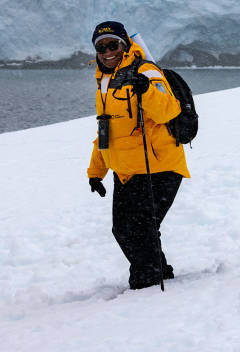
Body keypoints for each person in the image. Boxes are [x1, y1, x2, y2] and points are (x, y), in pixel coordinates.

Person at [86, 21, 190, 289]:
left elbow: (168, 112)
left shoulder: (146, 72)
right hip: (126, 170)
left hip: (159, 166)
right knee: (124, 230)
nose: (108, 51)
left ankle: (147, 283)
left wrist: (145, 90)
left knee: (141, 230)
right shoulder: (105, 81)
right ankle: (157, 274)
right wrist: (96, 172)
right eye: (101, 47)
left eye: (113, 44)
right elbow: (105, 131)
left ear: (125, 45)